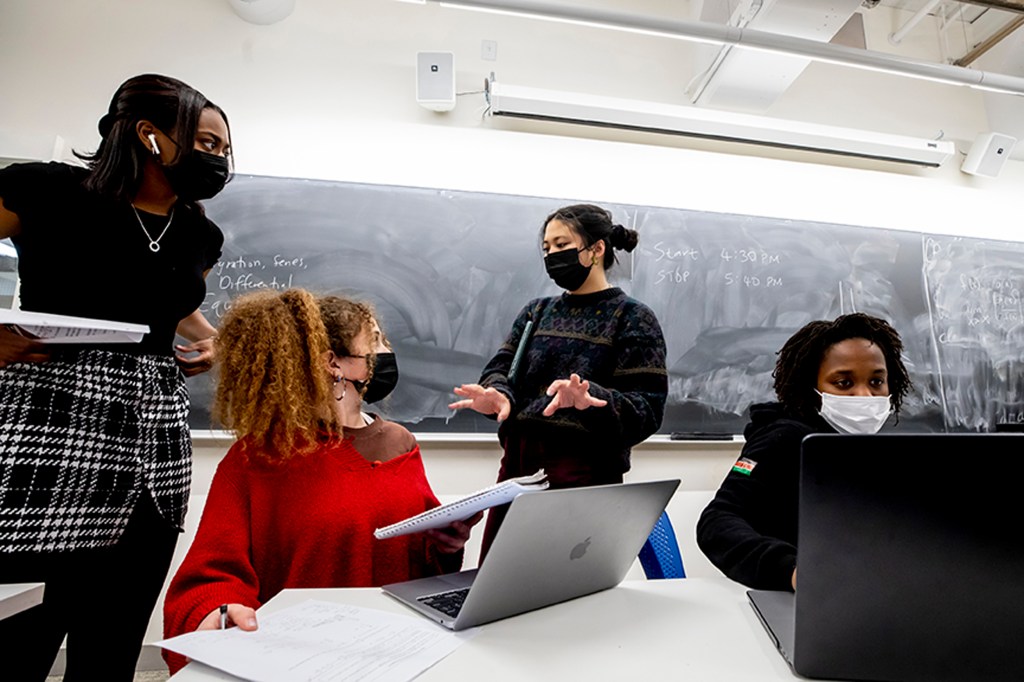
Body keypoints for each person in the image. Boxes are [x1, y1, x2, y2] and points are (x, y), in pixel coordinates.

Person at [0, 74, 230, 681]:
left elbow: (165, 303)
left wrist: (215, 342)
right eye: (206, 142)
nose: (219, 159)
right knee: (24, 624)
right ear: (149, 135)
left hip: (154, 434)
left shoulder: (198, 233)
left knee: (114, 632)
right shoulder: (46, 189)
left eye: (224, 150)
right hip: (52, 421)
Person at [162, 289, 479, 674]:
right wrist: (219, 612)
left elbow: (417, 561)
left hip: (401, 657)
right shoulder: (260, 456)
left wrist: (447, 545)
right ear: (333, 363)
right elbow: (211, 577)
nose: (386, 352)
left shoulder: (400, 443)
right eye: (375, 341)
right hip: (300, 664)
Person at [449, 203, 668, 558]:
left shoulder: (632, 317)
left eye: (562, 245)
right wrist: (498, 394)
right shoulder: (537, 311)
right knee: (504, 586)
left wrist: (590, 400)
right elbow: (500, 367)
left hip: (584, 480)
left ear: (597, 249)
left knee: (568, 589)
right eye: (547, 248)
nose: (552, 255)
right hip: (517, 474)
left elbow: (648, 408)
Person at [696, 312, 912, 591]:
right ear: (810, 388)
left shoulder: (875, 447)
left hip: (861, 596)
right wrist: (791, 570)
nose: (865, 396)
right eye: (844, 383)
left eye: (876, 382)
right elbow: (717, 521)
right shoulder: (782, 438)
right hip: (794, 602)